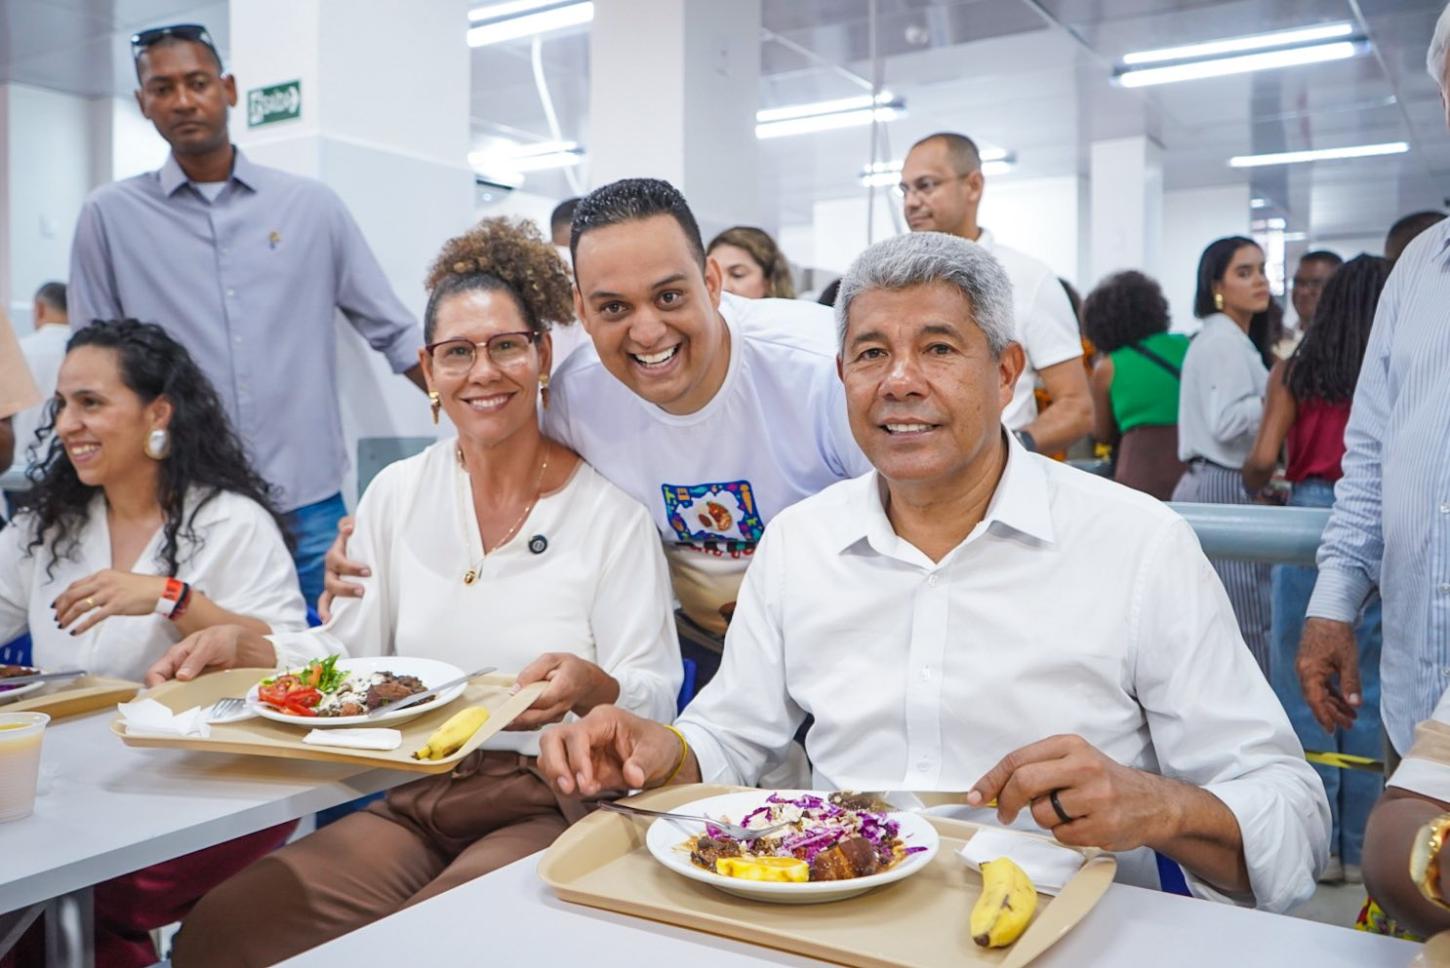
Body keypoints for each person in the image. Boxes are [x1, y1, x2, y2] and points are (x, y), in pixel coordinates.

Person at [537, 230, 1329, 913]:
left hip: (1058, 925)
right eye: (871, 353)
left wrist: (1157, 806)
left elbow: (1289, 809)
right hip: (830, 913)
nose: (900, 381)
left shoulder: (1135, 544)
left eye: (940, 349)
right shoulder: (800, 543)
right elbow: (734, 735)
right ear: (841, 374)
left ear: (1007, 373)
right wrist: (658, 749)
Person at [157, 217, 681, 968]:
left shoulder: (610, 515)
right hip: (417, 793)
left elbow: (656, 690)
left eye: (505, 345)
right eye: (458, 353)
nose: (483, 371)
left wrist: (593, 687)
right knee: (225, 930)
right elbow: (351, 653)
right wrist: (255, 644)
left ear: (540, 355)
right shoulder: (398, 493)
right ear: (429, 372)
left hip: (551, 801)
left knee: (422, 948)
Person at [324, 179, 870, 686]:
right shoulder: (575, 399)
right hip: (700, 649)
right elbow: (498, 458)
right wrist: (376, 546)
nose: (648, 330)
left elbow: (924, 520)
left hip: (844, 638)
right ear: (582, 312)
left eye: (670, 296)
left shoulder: (825, 369)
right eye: (614, 307)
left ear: (711, 281)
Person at [67, 23, 426, 606]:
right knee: (203, 671)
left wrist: (479, 399)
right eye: (162, 88)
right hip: (187, 504)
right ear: (142, 103)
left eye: (198, 82)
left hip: (308, 500)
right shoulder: (109, 217)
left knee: (328, 668)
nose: (183, 101)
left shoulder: (311, 207)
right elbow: (94, 368)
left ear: (229, 89)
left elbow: (393, 328)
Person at [0, 319, 306, 967]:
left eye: (91, 403)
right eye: (60, 405)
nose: (66, 425)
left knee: (62, 894)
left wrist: (171, 597)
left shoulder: (230, 524)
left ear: (157, 412)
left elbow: (291, 659)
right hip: (74, 788)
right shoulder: (45, 529)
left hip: (209, 789)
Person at [1298, 7, 1450, 777]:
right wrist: (1332, 605)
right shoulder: (1421, 268)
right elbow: (1370, 461)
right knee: (1414, 890)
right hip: (1418, 699)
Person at [1244, 255, 1391, 885]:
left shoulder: (1295, 371)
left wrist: (1273, 487)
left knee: (1299, 682)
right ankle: (1364, 848)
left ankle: (1317, 846)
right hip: (1382, 523)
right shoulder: (1397, 372)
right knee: (1371, 685)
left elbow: (1259, 459)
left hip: (1307, 523)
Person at [899, 131, 1091, 455]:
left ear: (973, 186)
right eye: (905, 190)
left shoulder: (1029, 280)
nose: (911, 202)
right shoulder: (900, 283)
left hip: (1002, 487)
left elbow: (1077, 408)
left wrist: (1007, 450)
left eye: (926, 186)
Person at [1172, 236, 1274, 674]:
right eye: (1244, 272)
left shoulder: (1234, 339)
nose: (1259, 281)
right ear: (1217, 286)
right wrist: (1280, 396)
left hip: (1218, 479)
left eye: (1262, 270)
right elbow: (1226, 423)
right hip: (1221, 481)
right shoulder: (1223, 341)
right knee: (1245, 620)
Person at [1081, 270, 1188, 500]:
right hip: (1190, 465)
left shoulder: (1108, 367)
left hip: (1139, 469)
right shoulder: (1186, 345)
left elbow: (1101, 432)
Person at [7, 282, 70, 485]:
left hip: (15, 473)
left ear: (39, 309)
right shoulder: (84, 355)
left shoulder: (17, 351)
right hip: (69, 470)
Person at [706, 225, 797, 300]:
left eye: (737, 274)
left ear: (770, 282)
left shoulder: (796, 320)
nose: (723, 287)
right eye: (712, 276)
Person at [1290, 250, 1343, 333]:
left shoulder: (1352, 342)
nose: (1303, 291)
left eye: (1316, 283)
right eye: (1298, 282)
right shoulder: (1279, 340)